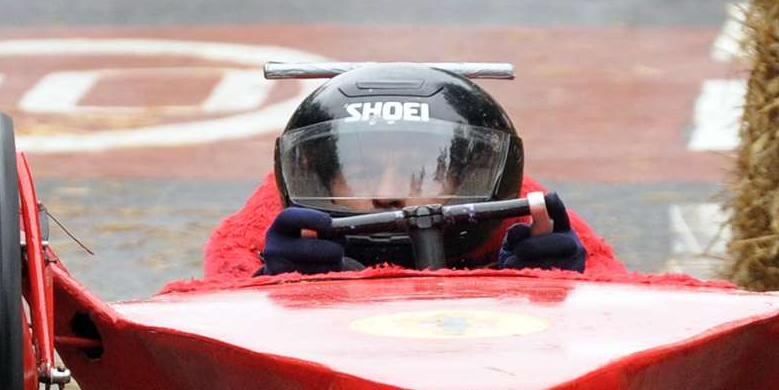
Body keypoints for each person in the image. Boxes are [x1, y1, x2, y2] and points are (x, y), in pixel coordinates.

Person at [198, 63, 623, 280]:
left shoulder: (530, 228)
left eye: (422, 174)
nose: (389, 195)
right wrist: (270, 292)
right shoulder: (257, 248)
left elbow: (628, 324)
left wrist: (558, 291)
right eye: (362, 171)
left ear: (472, 179)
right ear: (320, 180)